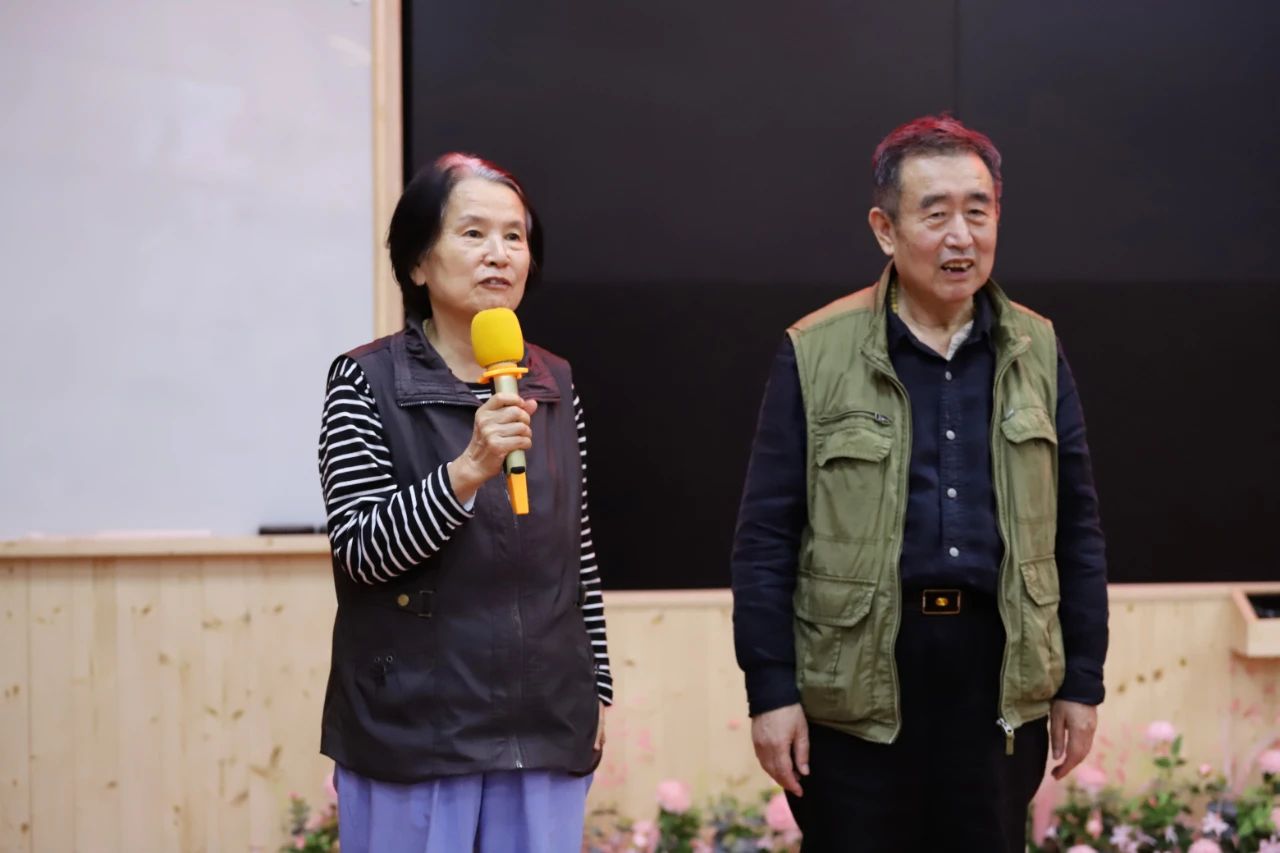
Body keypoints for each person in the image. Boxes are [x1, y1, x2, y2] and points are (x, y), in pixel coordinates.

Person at [730, 115, 1109, 852]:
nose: (961, 236)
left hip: (997, 676)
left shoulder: (1037, 347)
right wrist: (770, 689)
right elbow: (766, 537)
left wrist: (1082, 680)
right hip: (857, 684)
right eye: (936, 214)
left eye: (978, 211)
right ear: (885, 229)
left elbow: (1078, 527)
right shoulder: (816, 350)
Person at [316, 153, 612, 853]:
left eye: (515, 236)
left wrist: (596, 683)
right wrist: (466, 472)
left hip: (545, 723)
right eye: (474, 233)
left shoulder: (552, 381)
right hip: (413, 728)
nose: (499, 254)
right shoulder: (364, 380)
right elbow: (361, 550)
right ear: (419, 262)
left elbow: (576, 552)